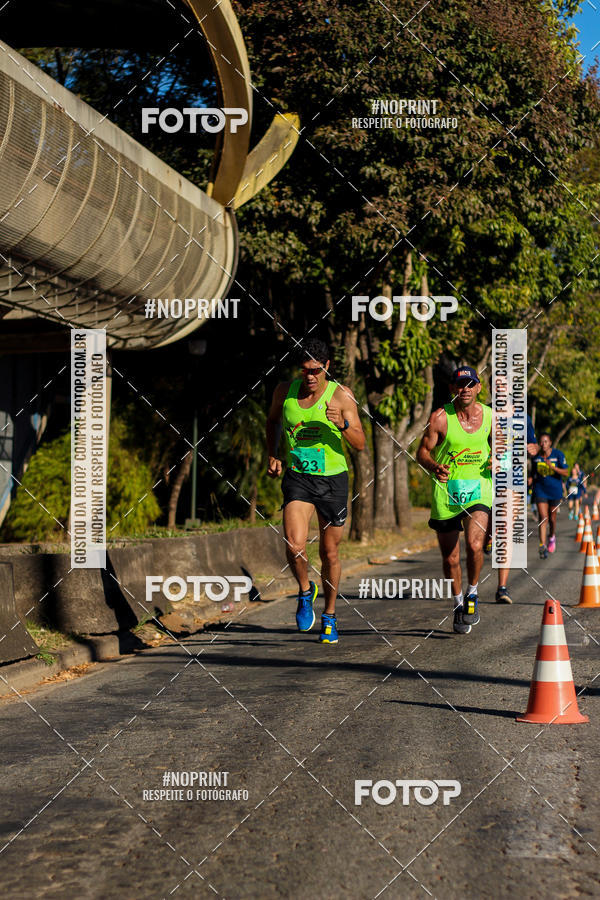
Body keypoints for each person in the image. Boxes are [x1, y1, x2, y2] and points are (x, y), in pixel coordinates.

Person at [266, 339, 365, 644]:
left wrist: (343, 424)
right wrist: (274, 453)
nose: (310, 376)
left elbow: (360, 443)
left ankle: (330, 616)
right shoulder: (285, 391)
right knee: (295, 545)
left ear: (327, 368)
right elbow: (272, 422)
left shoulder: (341, 396)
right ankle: (306, 590)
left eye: (316, 370)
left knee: (329, 552)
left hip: (333, 481)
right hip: (299, 478)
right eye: (305, 370)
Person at [417, 365, 492, 635]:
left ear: (479, 387)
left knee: (474, 545)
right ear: (453, 389)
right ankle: (458, 603)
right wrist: (434, 466)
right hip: (446, 492)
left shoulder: (492, 417)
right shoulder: (440, 417)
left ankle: (472, 592)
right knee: (450, 559)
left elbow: (508, 451)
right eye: (461, 385)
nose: (466, 389)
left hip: (479, 489)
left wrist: (499, 459)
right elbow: (422, 452)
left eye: (471, 384)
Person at [494, 414, 539, 604]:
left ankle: (501, 588)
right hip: (484, 476)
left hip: (512, 477)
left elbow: (533, 445)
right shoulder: (484, 412)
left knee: (505, 530)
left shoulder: (523, 418)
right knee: (484, 534)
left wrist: (532, 449)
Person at [531, 433, 569, 557]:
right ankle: (542, 545)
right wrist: (530, 479)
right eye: (541, 442)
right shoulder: (536, 457)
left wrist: (553, 468)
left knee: (552, 519)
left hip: (555, 491)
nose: (543, 444)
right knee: (543, 517)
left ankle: (552, 536)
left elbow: (566, 472)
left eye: (546, 441)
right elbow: (533, 474)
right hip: (540, 490)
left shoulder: (558, 455)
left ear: (550, 443)